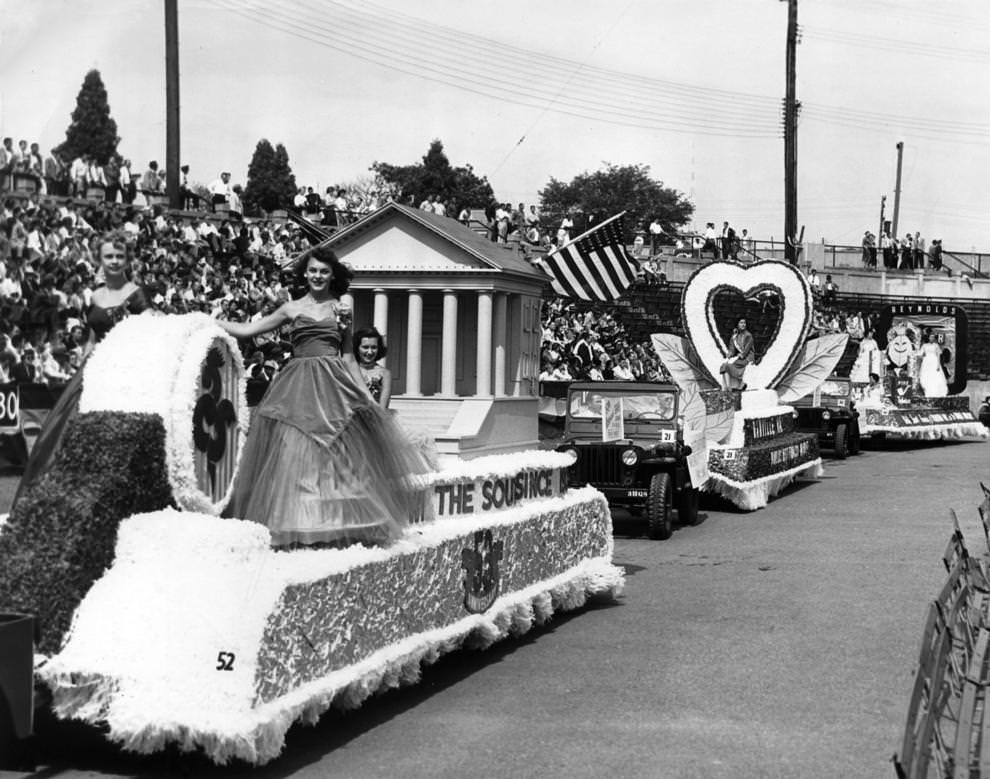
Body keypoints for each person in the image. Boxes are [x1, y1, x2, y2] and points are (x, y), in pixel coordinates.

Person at [217, 246, 429, 548]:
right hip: (297, 386)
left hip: (333, 387)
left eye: (324, 271)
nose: (317, 276)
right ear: (305, 273)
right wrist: (210, 321)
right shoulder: (290, 308)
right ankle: (294, 523)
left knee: (336, 456)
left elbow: (348, 358)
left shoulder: (341, 310)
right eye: (313, 270)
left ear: (332, 276)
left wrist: (365, 397)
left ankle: (332, 527)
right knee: (293, 450)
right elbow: (250, 329)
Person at [13, 236, 150, 505]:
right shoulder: (95, 295)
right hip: (92, 367)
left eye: (118, 257)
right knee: (61, 430)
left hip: (122, 365)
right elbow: (90, 337)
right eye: (108, 257)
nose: (112, 262)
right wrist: (83, 366)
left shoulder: (136, 294)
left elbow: (148, 329)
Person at [352, 326, 392, 408]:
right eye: (365, 347)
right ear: (357, 348)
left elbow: (383, 408)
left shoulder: (385, 374)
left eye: (374, 347)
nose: (370, 352)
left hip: (375, 418)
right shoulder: (348, 371)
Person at [719, 318, 754, 390]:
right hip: (739, 358)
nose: (743, 324)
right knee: (724, 365)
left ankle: (740, 384)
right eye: (741, 323)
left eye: (744, 323)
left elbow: (747, 349)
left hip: (747, 358)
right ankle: (728, 387)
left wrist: (741, 355)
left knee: (730, 365)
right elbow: (732, 349)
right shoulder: (734, 337)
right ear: (737, 324)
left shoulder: (748, 335)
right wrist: (729, 354)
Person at [918, 331, 948, 397]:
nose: (932, 338)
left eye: (933, 337)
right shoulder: (924, 345)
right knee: (926, 376)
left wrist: (938, 365)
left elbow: (938, 355)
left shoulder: (936, 345)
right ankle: (927, 391)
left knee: (935, 376)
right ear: (928, 338)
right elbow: (920, 354)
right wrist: (923, 357)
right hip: (926, 362)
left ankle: (936, 392)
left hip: (934, 361)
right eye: (930, 337)